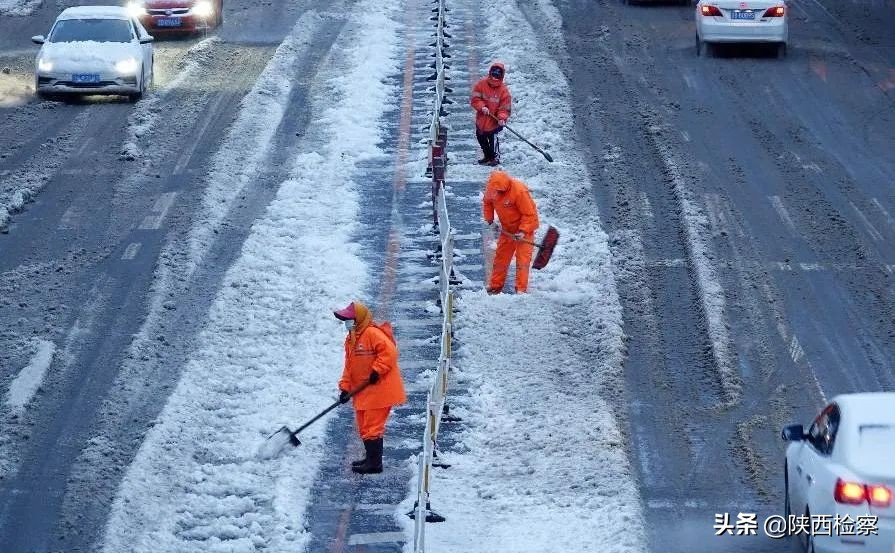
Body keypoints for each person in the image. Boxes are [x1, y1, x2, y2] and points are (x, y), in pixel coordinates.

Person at [334, 301, 406, 474]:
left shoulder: (372, 333)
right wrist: (345, 388)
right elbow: (349, 367)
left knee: (373, 427)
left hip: (380, 389)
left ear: (359, 319)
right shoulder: (352, 338)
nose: (347, 323)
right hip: (363, 391)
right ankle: (371, 458)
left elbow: (390, 353)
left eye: (349, 319)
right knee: (364, 427)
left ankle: (375, 464)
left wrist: (377, 370)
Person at [482, 170, 540, 294]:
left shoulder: (519, 191)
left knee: (522, 261)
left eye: (500, 191)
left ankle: (520, 289)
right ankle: (495, 286)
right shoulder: (492, 189)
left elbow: (529, 214)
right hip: (507, 230)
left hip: (524, 230)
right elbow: (487, 203)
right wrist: (489, 219)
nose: (497, 193)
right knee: (501, 258)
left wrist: (523, 231)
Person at [470, 61, 512, 166]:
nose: (495, 78)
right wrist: (482, 106)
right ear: (490, 73)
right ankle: (487, 156)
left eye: (497, 76)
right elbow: (475, 99)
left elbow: (504, 107)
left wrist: (502, 118)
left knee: (492, 140)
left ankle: (493, 158)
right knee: (481, 138)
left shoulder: (503, 91)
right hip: (482, 120)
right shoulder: (481, 84)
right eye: (494, 74)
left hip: (494, 122)